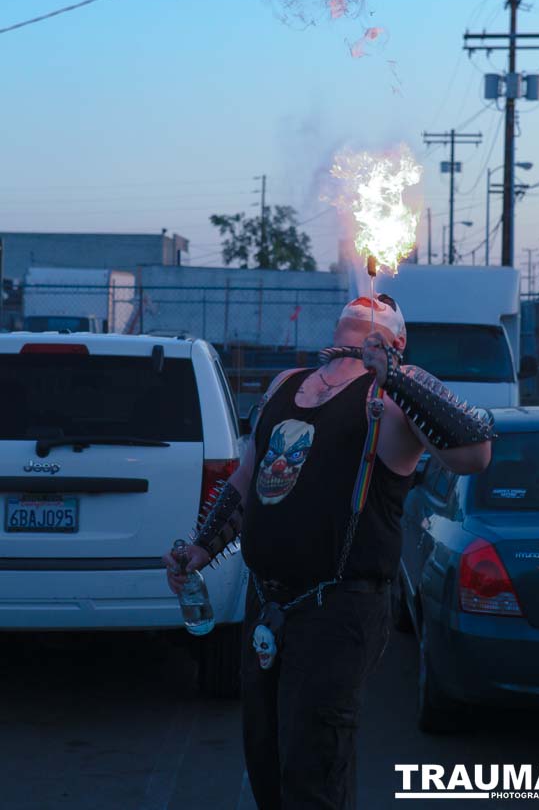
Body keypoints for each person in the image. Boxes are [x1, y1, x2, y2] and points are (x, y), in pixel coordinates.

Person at [164, 293, 493, 809]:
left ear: (398, 340)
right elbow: (250, 478)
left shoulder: (393, 397)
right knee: (266, 756)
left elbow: (475, 452)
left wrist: (397, 376)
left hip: (339, 608)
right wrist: (201, 549)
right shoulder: (286, 384)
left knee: (314, 764)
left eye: (384, 305)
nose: (371, 298)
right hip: (267, 603)